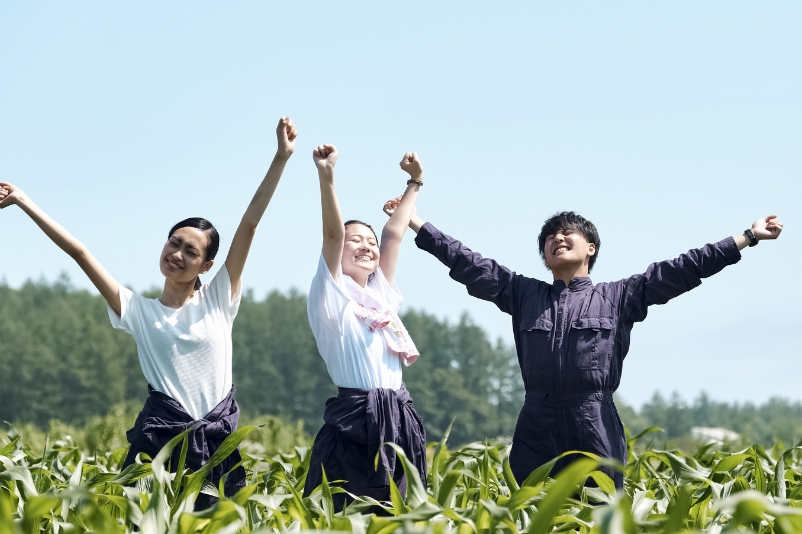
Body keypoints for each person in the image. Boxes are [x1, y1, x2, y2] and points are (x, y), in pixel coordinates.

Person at [382, 175, 783, 489]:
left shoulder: (621, 296)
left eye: (567, 232)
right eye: (549, 238)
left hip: (594, 419)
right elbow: (467, 262)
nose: (558, 238)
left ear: (591, 247)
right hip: (536, 421)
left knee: (600, 507)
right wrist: (414, 220)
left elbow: (683, 268)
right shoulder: (523, 293)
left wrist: (746, 238)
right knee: (534, 510)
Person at [0, 117, 298, 507]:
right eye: (173, 243)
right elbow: (79, 252)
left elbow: (251, 222)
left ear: (206, 266)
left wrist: (281, 157)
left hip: (216, 444)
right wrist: (24, 202)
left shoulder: (219, 298)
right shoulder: (137, 310)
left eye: (191, 251)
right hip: (159, 441)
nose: (176, 255)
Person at [303, 145, 427, 509]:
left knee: (398, 516)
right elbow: (331, 235)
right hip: (355, 420)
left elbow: (393, 235)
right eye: (354, 240)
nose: (366, 246)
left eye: (369, 242)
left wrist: (415, 182)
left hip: (398, 419)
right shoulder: (330, 294)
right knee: (346, 513)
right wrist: (327, 177)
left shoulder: (381, 295)